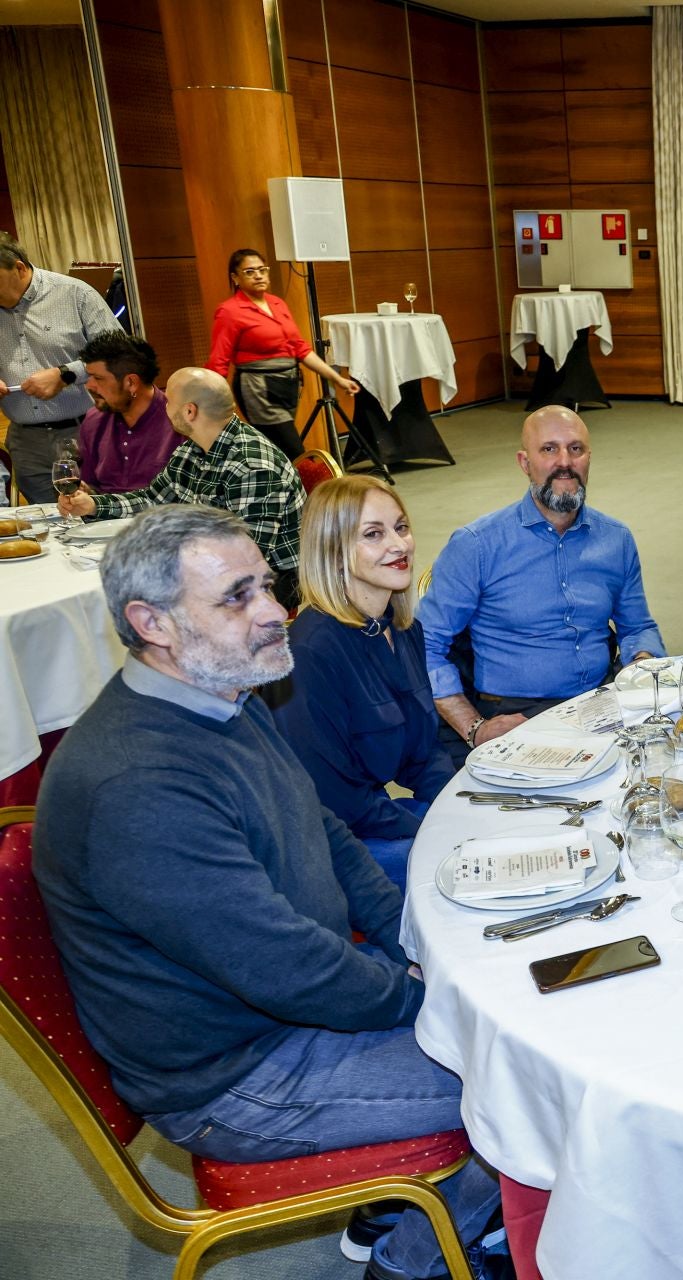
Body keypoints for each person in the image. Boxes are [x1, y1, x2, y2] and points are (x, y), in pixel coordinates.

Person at [31, 505, 508, 1280]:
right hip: (239, 1075)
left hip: (287, 1015)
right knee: (530, 1082)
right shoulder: (137, 784)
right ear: (151, 622)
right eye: (237, 597)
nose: (275, 614)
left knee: (504, 1015)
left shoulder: (220, 695)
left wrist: (412, 944)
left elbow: (322, 831)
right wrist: (422, 996)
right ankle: (411, 1261)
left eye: (268, 587)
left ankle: (407, 1200)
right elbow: (287, 968)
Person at [421, 406, 664, 754]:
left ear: (588, 458)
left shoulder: (616, 539)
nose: (564, 461)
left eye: (575, 449)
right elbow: (424, 645)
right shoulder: (477, 545)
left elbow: (638, 625)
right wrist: (475, 728)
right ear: (524, 462)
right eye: (549, 449)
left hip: (600, 704)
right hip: (515, 715)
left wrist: (641, 662)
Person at [278, 476, 454, 888]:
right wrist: (435, 829)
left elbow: (423, 753)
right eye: (373, 534)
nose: (399, 545)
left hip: (376, 813)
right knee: (464, 868)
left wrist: (458, 806)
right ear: (333, 551)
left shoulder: (403, 628)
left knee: (502, 829)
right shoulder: (309, 653)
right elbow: (333, 801)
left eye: (401, 527)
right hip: (331, 839)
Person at [58, 368, 306, 609]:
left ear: (189, 411)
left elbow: (245, 556)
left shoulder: (251, 465)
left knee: (145, 602)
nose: (165, 408)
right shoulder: (193, 448)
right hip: (222, 564)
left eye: (169, 402)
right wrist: (93, 505)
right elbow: (153, 499)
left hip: (273, 581)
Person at [0, 231, 124, 502]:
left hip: (86, 432)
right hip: (27, 442)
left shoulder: (74, 294)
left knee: (100, 518)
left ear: (18, 267)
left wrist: (65, 374)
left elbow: (119, 353)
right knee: (48, 526)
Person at [205, 247, 359, 460]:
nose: (258, 275)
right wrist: (215, 400)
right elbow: (218, 361)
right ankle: (312, 491)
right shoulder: (230, 311)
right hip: (258, 388)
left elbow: (301, 349)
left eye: (262, 269)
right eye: (250, 272)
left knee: (277, 453)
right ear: (235, 277)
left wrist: (337, 379)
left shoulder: (278, 303)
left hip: (288, 384)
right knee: (294, 451)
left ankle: (280, 491)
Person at [74, 331, 180, 493]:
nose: (89, 386)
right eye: (89, 377)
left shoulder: (179, 421)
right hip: (106, 515)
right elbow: (91, 486)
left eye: (98, 378)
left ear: (131, 382)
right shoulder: (94, 420)